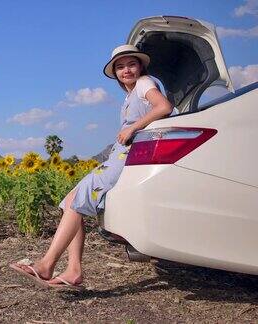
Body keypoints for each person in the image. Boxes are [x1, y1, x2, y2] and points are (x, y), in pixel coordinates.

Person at [10, 44, 173, 289]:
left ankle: (46, 265)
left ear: (141, 66)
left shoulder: (144, 83)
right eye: (120, 67)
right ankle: (74, 271)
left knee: (81, 197)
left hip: (128, 155)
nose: (126, 70)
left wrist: (133, 127)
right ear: (115, 73)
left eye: (131, 64)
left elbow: (164, 107)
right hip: (119, 154)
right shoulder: (131, 94)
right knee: (71, 201)